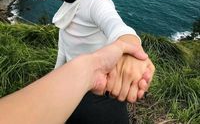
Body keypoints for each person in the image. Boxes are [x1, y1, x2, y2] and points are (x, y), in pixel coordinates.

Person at [52, 0, 155, 124]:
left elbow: (65, 51)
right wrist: (132, 49)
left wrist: (55, 82)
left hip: (69, 93)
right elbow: (116, 25)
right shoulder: (99, 2)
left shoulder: (72, 3)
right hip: (99, 100)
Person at [0, 40, 150, 124]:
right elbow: (115, 23)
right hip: (83, 94)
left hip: (75, 91)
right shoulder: (94, 3)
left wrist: (127, 45)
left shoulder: (80, 4)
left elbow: (117, 25)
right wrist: (129, 47)